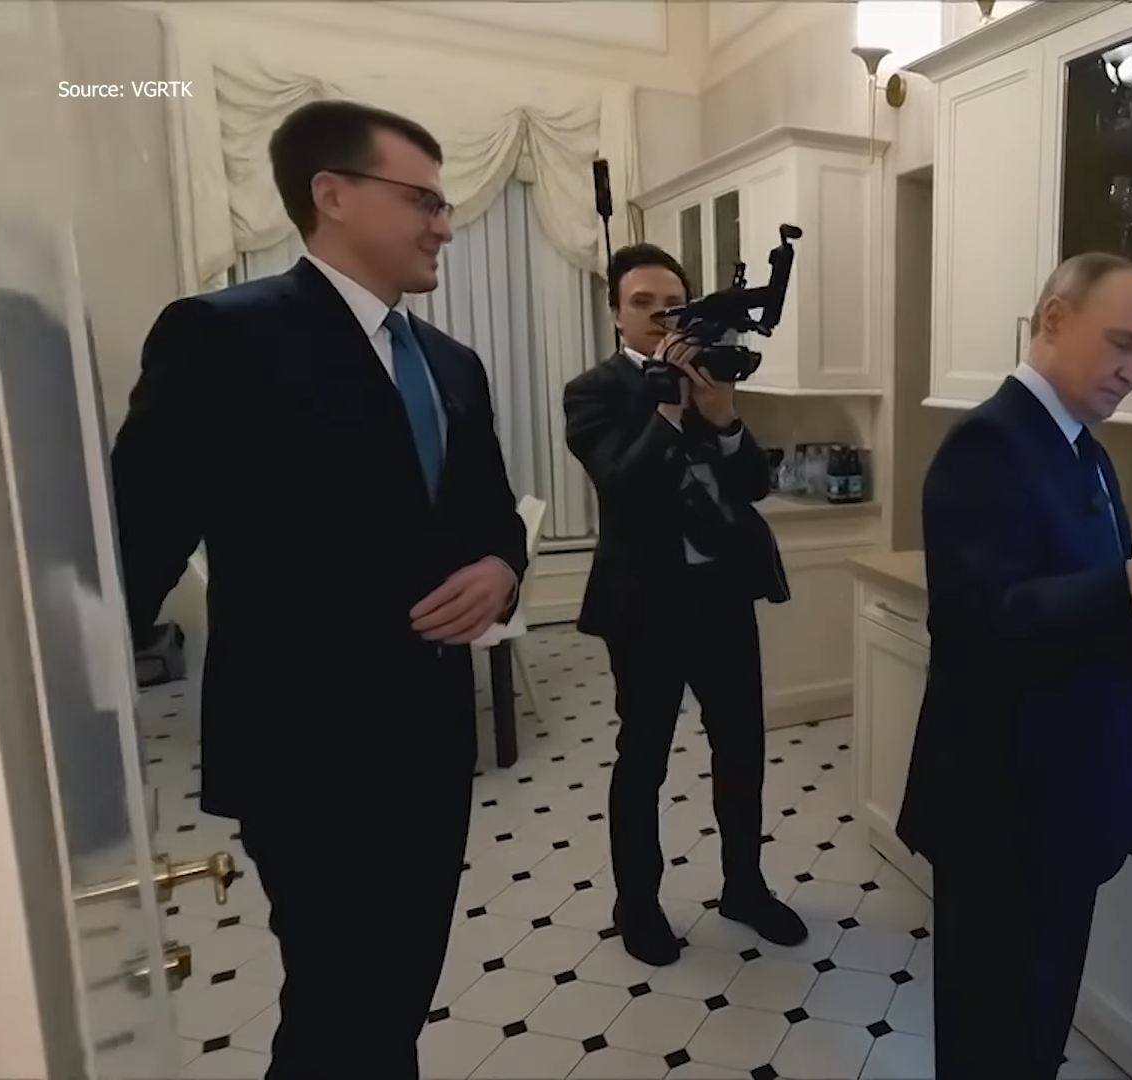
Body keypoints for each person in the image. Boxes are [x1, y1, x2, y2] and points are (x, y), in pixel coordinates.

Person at [110, 100, 526, 1079]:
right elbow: (136, 541)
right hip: (306, 751)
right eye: (424, 200)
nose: (444, 225)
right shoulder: (224, 335)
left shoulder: (453, 365)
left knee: (399, 994)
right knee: (339, 1007)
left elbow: (493, 517)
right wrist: (64, 740)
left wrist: (501, 569)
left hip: (434, 739)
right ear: (331, 194)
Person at [899, 252, 1132, 1078]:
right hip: (1002, 816)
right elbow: (981, 622)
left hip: (1060, 813)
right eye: (1122, 343)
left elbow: (1073, 604)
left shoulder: (1083, 449)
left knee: (1035, 1030)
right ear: (1052, 319)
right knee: (991, 1042)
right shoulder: (989, 443)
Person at [562, 243, 806, 966]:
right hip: (645, 602)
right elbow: (622, 486)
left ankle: (744, 888)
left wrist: (723, 417)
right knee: (644, 757)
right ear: (615, 313)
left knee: (742, 749)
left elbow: (754, 485)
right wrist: (668, 409)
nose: (659, 315)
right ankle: (636, 903)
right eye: (641, 302)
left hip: (722, 595)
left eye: (672, 302)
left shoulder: (711, 374)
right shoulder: (593, 391)